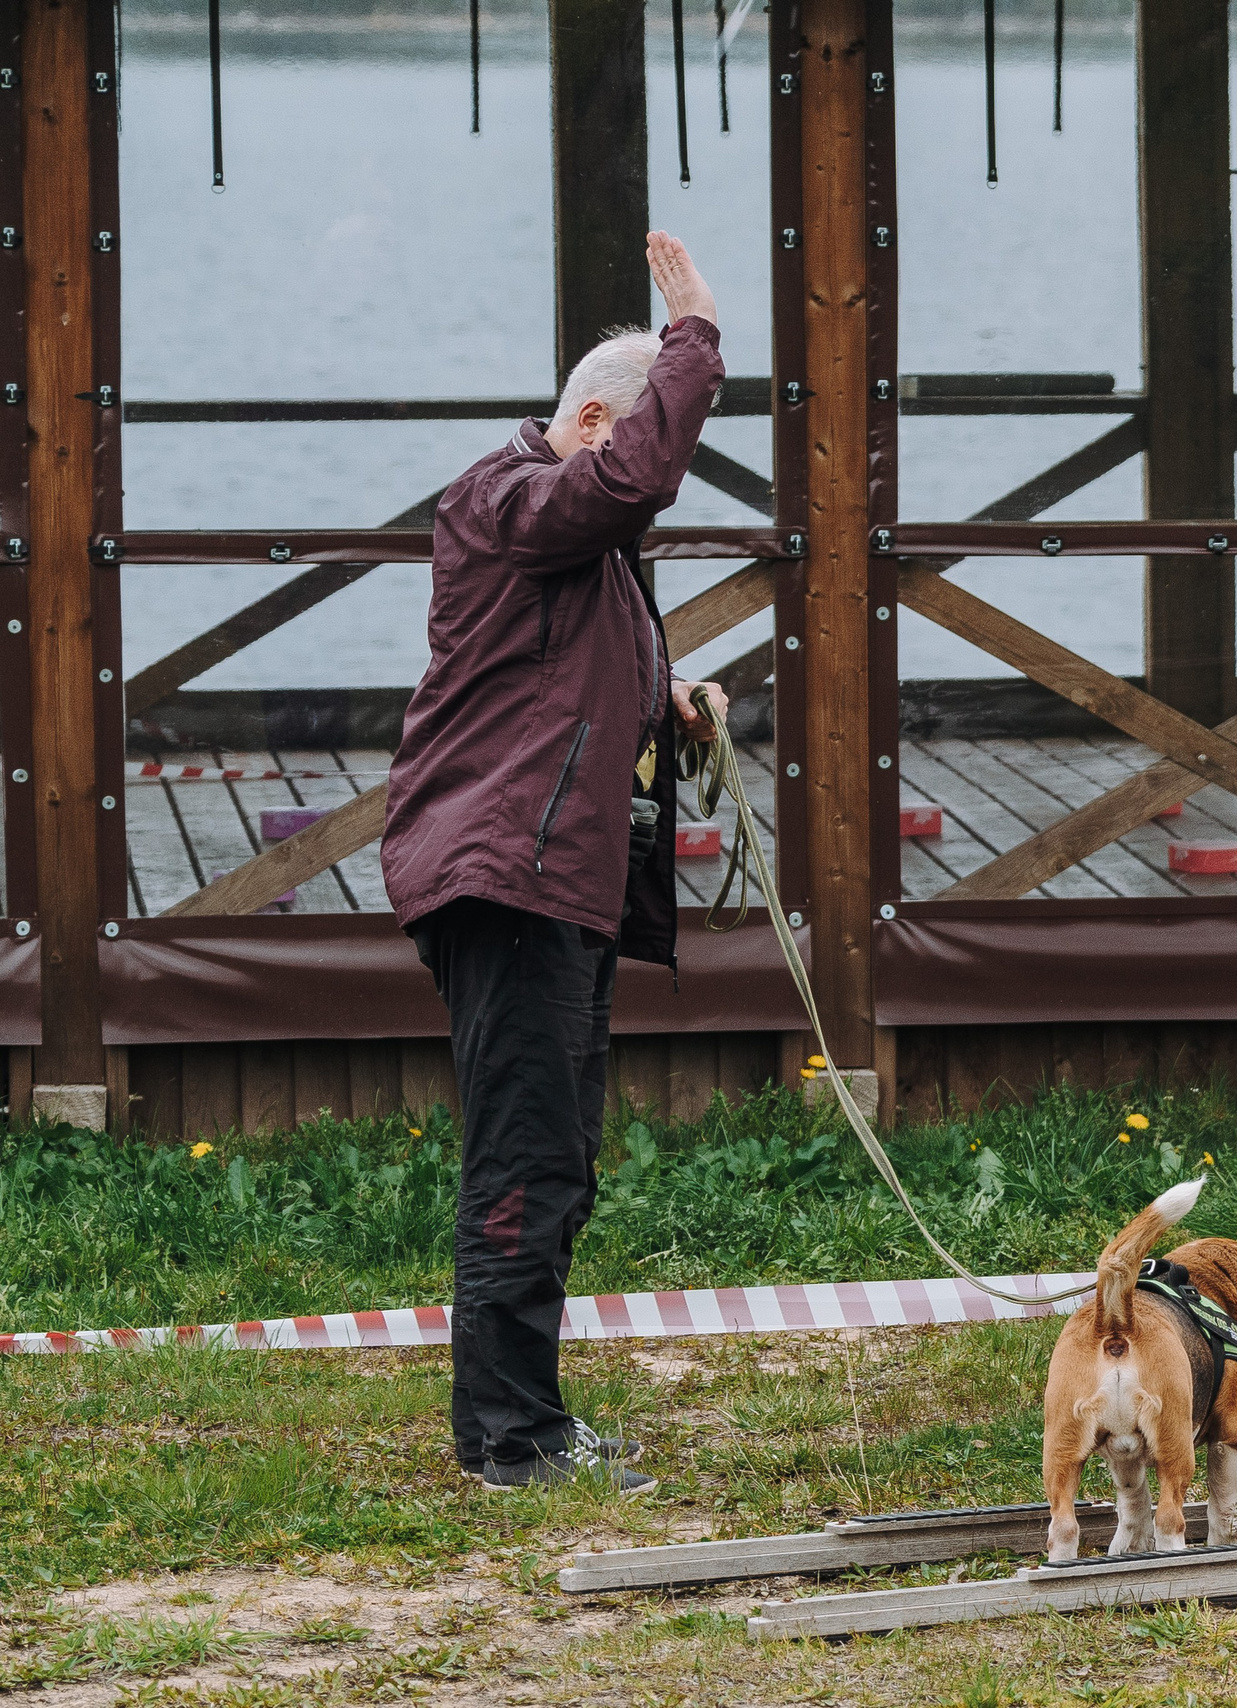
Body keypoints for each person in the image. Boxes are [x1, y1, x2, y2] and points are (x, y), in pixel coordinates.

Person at [383, 232, 732, 1491]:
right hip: (506, 879)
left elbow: (570, 674)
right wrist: (696, 336)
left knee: (557, 1158)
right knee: (525, 1162)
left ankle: (526, 1418)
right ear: (591, 419)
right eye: (641, 437)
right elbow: (623, 489)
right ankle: (510, 1442)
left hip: (553, 888)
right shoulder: (510, 495)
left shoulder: (573, 542)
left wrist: (669, 696)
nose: (655, 471)